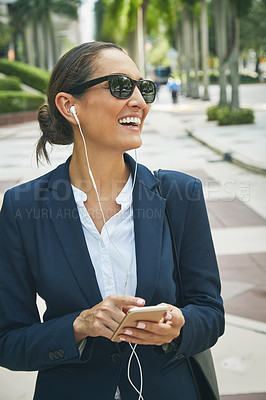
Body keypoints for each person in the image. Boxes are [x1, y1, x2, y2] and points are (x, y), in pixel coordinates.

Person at [0, 42, 224, 400]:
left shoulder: (180, 195)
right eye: (121, 86)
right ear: (69, 105)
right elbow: (8, 340)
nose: (139, 100)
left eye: (144, 88)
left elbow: (211, 312)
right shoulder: (22, 207)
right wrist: (79, 326)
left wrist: (180, 326)